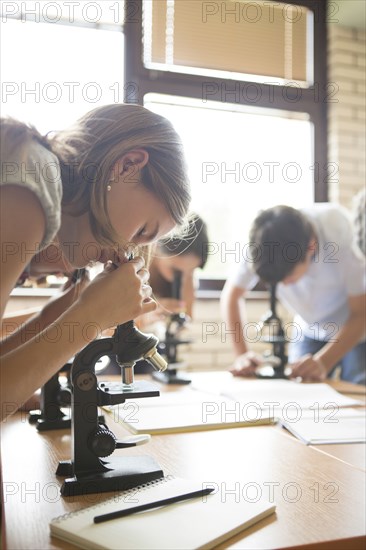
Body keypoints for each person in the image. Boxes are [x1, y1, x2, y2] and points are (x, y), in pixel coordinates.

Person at [0, 104, 191, 421]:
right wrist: (90, 317)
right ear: (128, 165)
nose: (126, 253)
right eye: (142, 231)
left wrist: (57, 318)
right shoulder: (31, 182)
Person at [221, 204, 366, 385]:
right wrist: (243, 356)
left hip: (354, 328)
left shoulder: (339, 233)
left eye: (289, 278)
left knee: (358, 387)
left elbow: (361, 312)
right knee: (299, 389)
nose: (285, 286)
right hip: (308, 328)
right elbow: (231, 297)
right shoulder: (262, 241)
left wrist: (323, 361)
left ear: (311, 247)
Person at [147, 214, 209, 320]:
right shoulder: (132, 268)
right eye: (176, 271)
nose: (184, 278)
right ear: (155, 247)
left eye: (192, 270)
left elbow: (187, 319)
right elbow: (110, 329)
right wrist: (144, 318)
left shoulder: (188, 278)